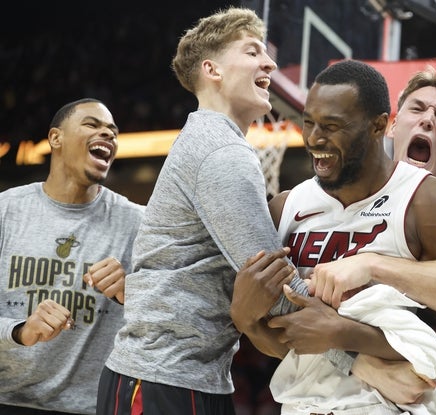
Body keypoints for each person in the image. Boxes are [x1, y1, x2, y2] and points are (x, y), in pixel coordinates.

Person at [95, 7, 321, 415]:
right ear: (212, 69)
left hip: (178, 374)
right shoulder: (221, 152)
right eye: (252, 52)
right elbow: (277, 288)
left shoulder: (208, 139)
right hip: (163, 378)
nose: (270, 63)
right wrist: (369, 338)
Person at [231, 60, 436, 414]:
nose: (315, 138)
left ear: (378, 126)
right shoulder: (285, 208)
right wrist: (247, 322)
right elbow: (291, 338)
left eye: (332, 126)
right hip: (303, 406)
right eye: (309, 123)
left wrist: (342, 333)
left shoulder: (433, 203)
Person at [306, 66, 436, 415]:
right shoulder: (346, 202)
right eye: (417, 109)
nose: (427, 120)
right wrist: (356, 361)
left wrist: (372, 265)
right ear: (392, 126)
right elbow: (302, 310)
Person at [0, 98, 145, 414]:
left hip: (93, 406)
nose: (108, 134)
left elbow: (169, 317)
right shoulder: (5, 211)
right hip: (7, 399)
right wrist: (20, 331)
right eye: (92, 124)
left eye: (113, 131)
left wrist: (132, 293)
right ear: (56, 138)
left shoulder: (138, 224)